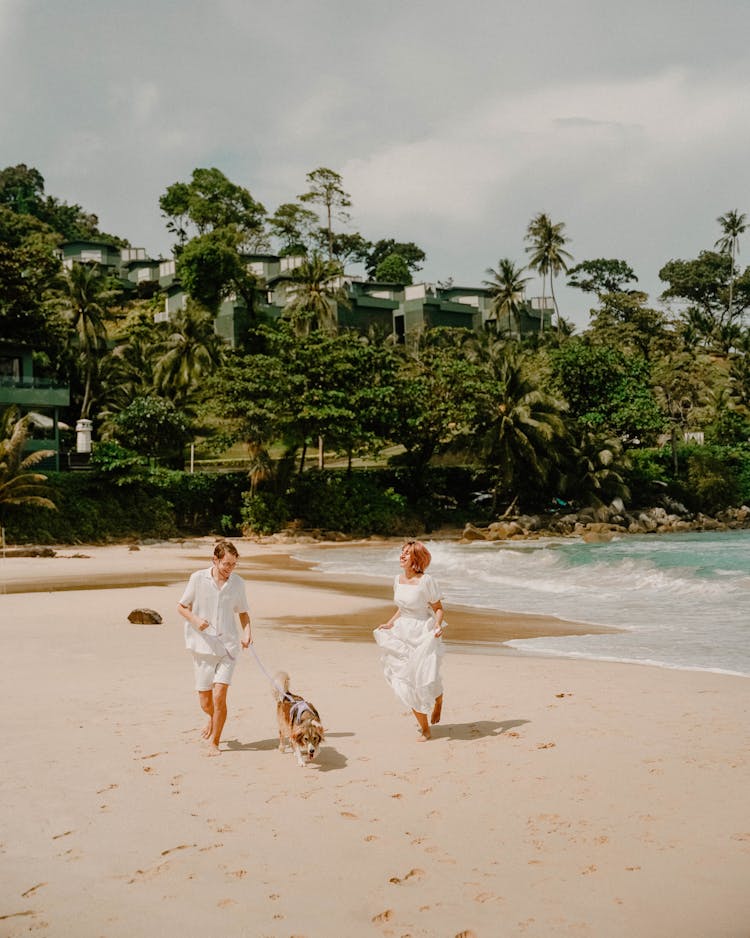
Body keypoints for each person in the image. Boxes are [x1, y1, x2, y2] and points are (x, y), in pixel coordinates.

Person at [177, 539, 252, 756]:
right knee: (205, 702)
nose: (230, 569)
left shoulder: (238, 583)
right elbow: (181, 606)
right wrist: (195, 620)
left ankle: (215, 742)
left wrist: (247, 633)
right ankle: (211, 717)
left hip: (228, 648)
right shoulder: (197, 579)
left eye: (234, 564)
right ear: (215, 560)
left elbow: (243, 612)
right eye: (226, 564)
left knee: (220, 696)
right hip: (202, 647)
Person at [374, 540, 445, 741]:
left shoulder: (426, 581)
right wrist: (389, 624)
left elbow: (438, 608)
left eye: (407, 553)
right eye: (402, 552)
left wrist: (438, 625)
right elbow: (402, 608)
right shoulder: (397, 579)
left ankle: (438, 701)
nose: (402, 556)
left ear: (417, 559)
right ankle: (425, 728)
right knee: (406, 681)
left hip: (422, 632)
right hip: (401, 633)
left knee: (424, 678)